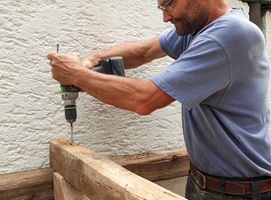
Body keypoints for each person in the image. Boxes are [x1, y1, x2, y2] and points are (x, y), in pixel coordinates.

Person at [48, 0, 271, 199]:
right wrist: (92, 60)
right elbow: (144, 51)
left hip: (240, 191)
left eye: (169, 4)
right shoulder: (198, 30)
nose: (165, 16)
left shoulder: (230, 34)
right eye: (161, 7)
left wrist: (76, 74)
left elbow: (144, 99)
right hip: (202, 181)